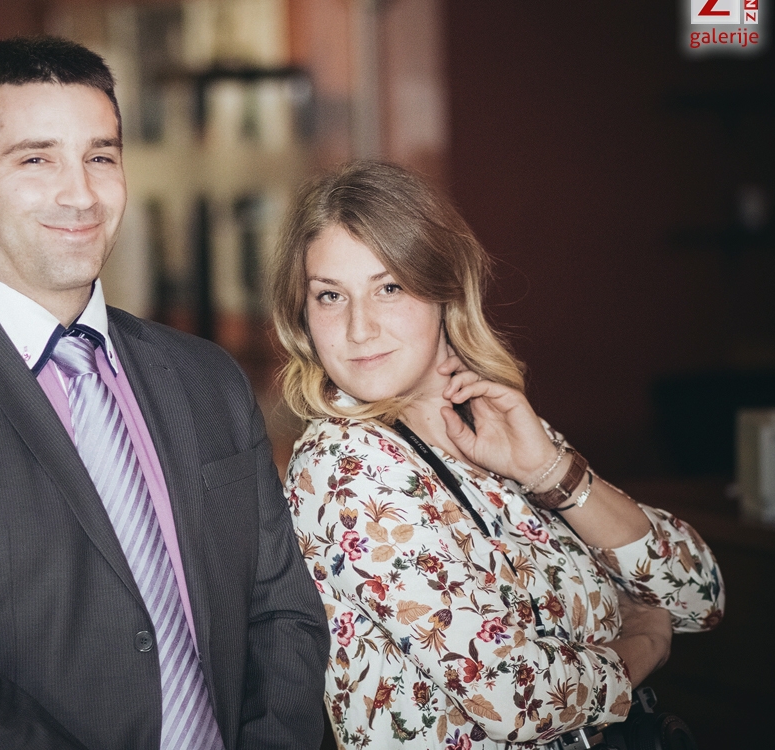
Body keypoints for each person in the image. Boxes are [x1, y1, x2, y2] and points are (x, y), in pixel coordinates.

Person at [0, 36, 328, 750]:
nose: (80, 194)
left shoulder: (206, 376)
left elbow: (282, 612)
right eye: (36, 159)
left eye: (100, 157)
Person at [269, 161, 724, 749]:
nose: (359, 328)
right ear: (303, 317)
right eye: (330, 296)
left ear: (444, 291)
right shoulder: (344, 467)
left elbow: (697, 593)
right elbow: (511, 695)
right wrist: (642, 647)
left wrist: (549, 472)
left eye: (390, 287)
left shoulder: (487, 417)